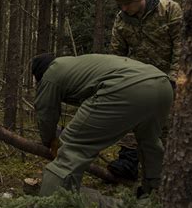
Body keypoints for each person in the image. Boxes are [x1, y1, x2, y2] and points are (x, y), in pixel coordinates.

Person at [31, 53, 173, 197]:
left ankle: (49, 204)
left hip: (126, 86)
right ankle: (157, 195)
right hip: (162, 84)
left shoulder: (50, 74)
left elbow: (45, 112)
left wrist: (50, 140)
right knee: (150, 141)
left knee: (70, 150)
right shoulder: (73, 64)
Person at [108, 0, 182, 180]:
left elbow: (181, 45)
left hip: (168, 76)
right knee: (131, 115)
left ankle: (165, 172)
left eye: (127, 3)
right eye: (120, 4)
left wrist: (173, 77)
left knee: (165, 125)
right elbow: (117, 53)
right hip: (139, 77)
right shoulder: (122, 19)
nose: (124, 8)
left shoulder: (168, 9)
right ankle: (129, 161)